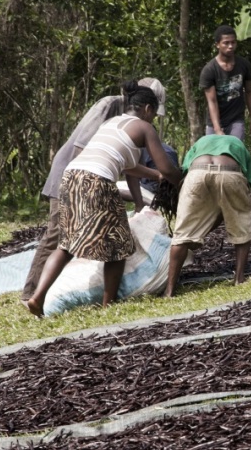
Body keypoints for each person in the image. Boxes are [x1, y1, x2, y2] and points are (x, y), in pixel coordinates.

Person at [23, 81, 181, 316]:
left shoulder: (111, 123)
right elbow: (168, 170)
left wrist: (153, 175)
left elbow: (128, 165)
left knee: (67, 244)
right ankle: (109, 305)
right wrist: (180, 180)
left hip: (71, 177)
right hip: (97, 181)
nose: (153, 119)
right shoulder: (144, 128)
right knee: (119, 246)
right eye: (154, 114)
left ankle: (37, 298)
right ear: (147, 108)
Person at [164, 134, 251, 297]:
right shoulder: (238, 144)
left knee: (182, 234)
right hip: (230, 172)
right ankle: (239, 278)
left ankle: (169, 291)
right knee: (241, 223)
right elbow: (247, 181)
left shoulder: (201, 142)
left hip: (196, 173)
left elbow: (185, 172)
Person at [200, 25, 251, 140]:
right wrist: (217, 129)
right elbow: (212, 101)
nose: (230, 46)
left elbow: (249, 92)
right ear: (217, 45)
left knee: (235, 152)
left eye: (233, 42)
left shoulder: (244, 65)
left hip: (236, 120)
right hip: (214, 123)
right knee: (212, 154)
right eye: (226, 43)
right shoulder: (210, 70)